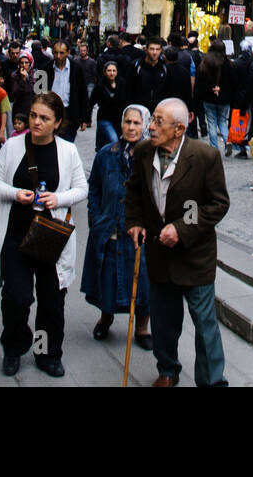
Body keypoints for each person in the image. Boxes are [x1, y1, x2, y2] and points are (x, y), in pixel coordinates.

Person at [125, 99, 231, 387]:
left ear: (179, 129)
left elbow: (217, 204)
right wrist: (134, 221)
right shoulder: (144, 152)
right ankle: (168, 370)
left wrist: (182, 228)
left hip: (194, 257)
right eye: (152, 119)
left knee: (204, 323)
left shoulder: (205, 156)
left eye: (158, 122)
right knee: (163, 321)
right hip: (159, 253)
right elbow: (134, 190)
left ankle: (212, 381)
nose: (150, 127)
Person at [0, 93, 89, 378]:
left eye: (44, 118)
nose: (36, 122)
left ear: (57, 123)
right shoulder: (13, 146)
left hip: (50, 237)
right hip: (16, 235)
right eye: (33, 115)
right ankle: (14, 347)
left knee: (51, 301)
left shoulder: (68, 151)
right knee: (16, 298)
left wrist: (58, 198)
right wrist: (14, 193)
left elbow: (82, 188)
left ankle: (47, 353)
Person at [83, 105, 153, 349]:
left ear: (145, 125)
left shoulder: (152, 156)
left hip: (139, 233)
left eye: (136, 123)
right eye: (127, 122)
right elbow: (94, 188)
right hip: (109, 226)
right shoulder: (106, 154)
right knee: (108, 276)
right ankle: (106, 318)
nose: (131, 127)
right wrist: (95, 217)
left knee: (143, 281)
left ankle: (142, 328)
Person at [194, 41, 236, 157]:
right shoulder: (228, 64)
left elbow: (200, 81)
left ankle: (214, 148)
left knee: (212, 123)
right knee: (222, 121)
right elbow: (233, 82)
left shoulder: (205, 63)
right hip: (224, 98)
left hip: (209, 98)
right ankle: (227, 140)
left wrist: (209, 89)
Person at [50, 41, 90, 142]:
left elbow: (83, 94)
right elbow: (38, 93)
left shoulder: (77, 69)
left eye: (61, 53)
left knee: (67, 143)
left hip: (70, 114)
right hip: (50, 113)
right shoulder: (45, 68)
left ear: (68, 52)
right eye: (55, 53)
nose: (58, 56)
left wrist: (85, 118)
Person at [89, 60, 128, 149]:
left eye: (114, 70)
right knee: (114, 141)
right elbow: (91, 103)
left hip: (119, 119)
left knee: (119, 142)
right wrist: (86, 118)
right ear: (104, 72)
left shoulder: (122, 83)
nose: (111, 73)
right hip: (105, 118)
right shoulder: (99, 86)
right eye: (109, 70)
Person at [6, 54, 38, 136]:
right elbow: (15, 92)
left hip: (31, 108)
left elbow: (35, 91)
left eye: (26, 63)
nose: (24, 65)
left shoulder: (35, 75)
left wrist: (27, 78)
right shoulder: (15, 75)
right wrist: (23, 80)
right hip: (19, 108)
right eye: (21, 63)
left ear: (30, 63)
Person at [134, 38, 169, 113]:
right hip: (140, 108)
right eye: (152, 49)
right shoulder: (137, 66)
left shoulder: (164, 67)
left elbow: (166, 90)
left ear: (161, 50)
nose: (154, 52)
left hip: (158, 108)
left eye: (157, 49)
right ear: (146, 49)